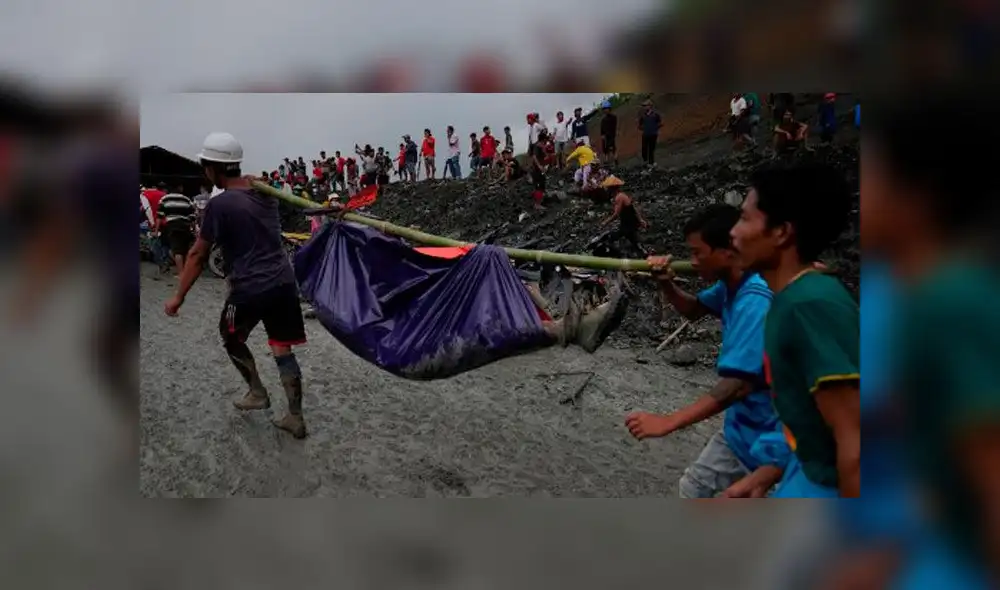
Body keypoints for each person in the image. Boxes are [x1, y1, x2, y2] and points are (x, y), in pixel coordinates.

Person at [626, 204, 785, 498]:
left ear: (727, 252)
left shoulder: (755, 301)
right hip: (741, 429)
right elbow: (694, 309)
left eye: (698, 253)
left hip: (774, 435)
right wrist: (666, 283)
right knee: (693, 489)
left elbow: (737, 385)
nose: (693, 262)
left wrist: (668, 422)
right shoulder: (731, 285)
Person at [164, 132, 309, 439]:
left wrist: (178, 296)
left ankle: (257, 392)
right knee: (282, 346)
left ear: (211, 168)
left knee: (230, 336)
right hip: (283, 283)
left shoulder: (220, 204)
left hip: (249, 288)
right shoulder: (267, 195)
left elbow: (198, 254)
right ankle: (295, 417)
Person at [728, 162, 859, 497]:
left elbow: (855, 442)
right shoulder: (790, 298)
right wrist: (766, 473)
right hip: (805, 471)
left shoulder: (809, 306)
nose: (733, 232)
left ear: (781, 232)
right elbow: (814, 420)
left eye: (744, 218)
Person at [599, 176, 648, 256]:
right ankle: (644, 254)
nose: (607, 190)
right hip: (629, 222)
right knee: (633, 240)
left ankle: (616, 255)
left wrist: (605, 222)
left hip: (628, 223)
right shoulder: (622, 195)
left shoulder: (619, 197)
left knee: (612, 237)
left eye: (608, 188)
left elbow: (616, 214)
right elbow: (634, 208)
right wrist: (640, 220)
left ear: (612, 188)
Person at [157, 192, 197, 276]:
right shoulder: (186, 199)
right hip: (185, 226)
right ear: (180, 188)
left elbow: (159, 216)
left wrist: (156, 230)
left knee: (176, 251)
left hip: (172, 226)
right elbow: (192, 216)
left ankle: (181, 273)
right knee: (184, 249)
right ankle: (185, 270)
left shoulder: (164, 199)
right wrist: (193, 229)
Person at [637, 99, 662, 167]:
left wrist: (655, 127)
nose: (644, 107)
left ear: (650, 106)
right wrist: (643, 128)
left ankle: (651, 162)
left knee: (651, 149)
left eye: (645, 105)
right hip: (645, 134)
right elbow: (639, 125)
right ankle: (645, 162)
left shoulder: (655, 115)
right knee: (644, 149)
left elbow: (660, 122)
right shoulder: (643, 116)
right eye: (644, 106)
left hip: (653, 134)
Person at [529, 130, 549, 209]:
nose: (546, 141)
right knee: (539, 186)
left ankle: (539, 199)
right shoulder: (537, 146)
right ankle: (537, 204)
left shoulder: (541, 146)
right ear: (543, 139)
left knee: (542, 184)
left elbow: (544, 156)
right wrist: (539, 166)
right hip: (537, 170)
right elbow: (534, 157)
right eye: (546, 139)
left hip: (540, 170)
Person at [599, 99, 618, 166]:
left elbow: (614, 127)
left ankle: (615, 160)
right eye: (604, 109)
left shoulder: (613, 117)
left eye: (606, 109)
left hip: (611, 135)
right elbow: (602, 128)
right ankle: (606, 161)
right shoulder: (603, 119)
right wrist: (602, 135)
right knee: (605, 148)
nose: (605, 110)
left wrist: (612, 135)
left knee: (612, 147)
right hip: (605, 136)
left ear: (609, 109)